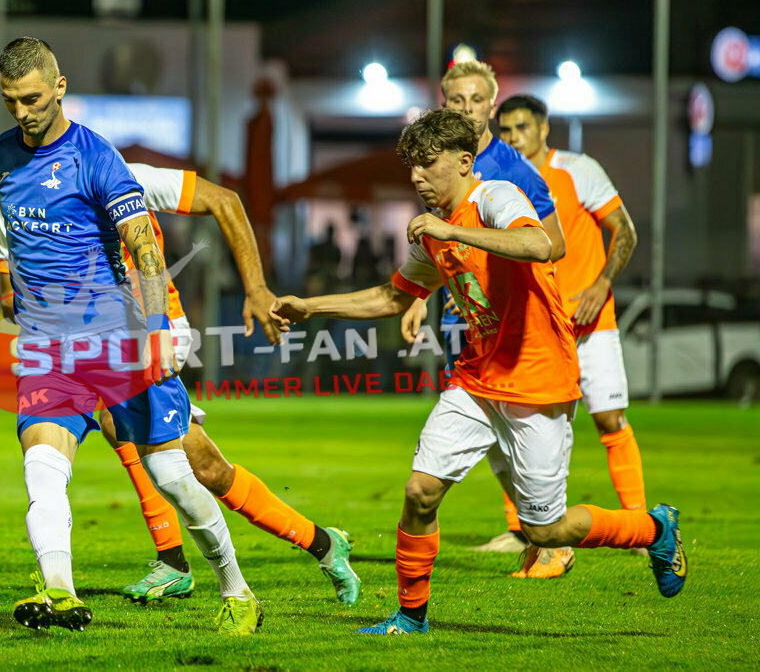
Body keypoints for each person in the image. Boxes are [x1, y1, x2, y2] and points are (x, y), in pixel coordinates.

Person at [271, 109, 687, 636]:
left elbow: (538, 244)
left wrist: (451, 228)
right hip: (475, 378)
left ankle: (654, 528)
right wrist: (311, 307)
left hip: (538, 378)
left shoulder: (494, 197)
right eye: (412, 168)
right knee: (420, 490)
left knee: (546, 528)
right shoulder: (433, 231)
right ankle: (410, 616)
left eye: (428, 164)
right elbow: (393, 296)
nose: (418, 177)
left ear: (465, 161)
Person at [0, 36, 261, 635]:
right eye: (10, 102)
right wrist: (12, 291)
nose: (22, 113)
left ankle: (236, 587)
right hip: (50, 353)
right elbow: (14, 232)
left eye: (31, 99)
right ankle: (60, 591)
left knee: (175, 480)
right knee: (42, 470)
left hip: (120, 346)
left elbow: (146, 248)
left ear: (59, 88)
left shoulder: (97, 158)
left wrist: (158, 331)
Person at [0, 164, 360, 606]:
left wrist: (257, 288)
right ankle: (317, 543)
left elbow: (225, 200)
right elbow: (10, 290)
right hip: (89, 337)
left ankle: (181, 562)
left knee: (146, 438)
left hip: (158, 329)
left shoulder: (126, 175)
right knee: (202, 465)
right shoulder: (22, 192)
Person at [399, 59, 567, 562]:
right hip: (477, 335)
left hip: (532, 336)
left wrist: (463, 247)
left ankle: (544, 534)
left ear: (490, 105)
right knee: (441, 473)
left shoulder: (511, 173)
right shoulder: (440, 169)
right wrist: (421, 292)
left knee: (546, 494)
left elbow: (547, 245)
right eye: (457, 100)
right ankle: (519, 531)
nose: (468, 108)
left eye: (476, 100)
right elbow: (425, 265)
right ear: (444, 101)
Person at [497, 94, 647, 559]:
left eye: (521, 127)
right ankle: (519, 531)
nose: (512, 137)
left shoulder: (578, 169)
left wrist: (601, 285)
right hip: (538, 325)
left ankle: (641, 526)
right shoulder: (500, 180)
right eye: (505, 130)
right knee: (517, 418)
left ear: (544, 129)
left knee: (609, 418)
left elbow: (625, 230)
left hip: (590, 321)